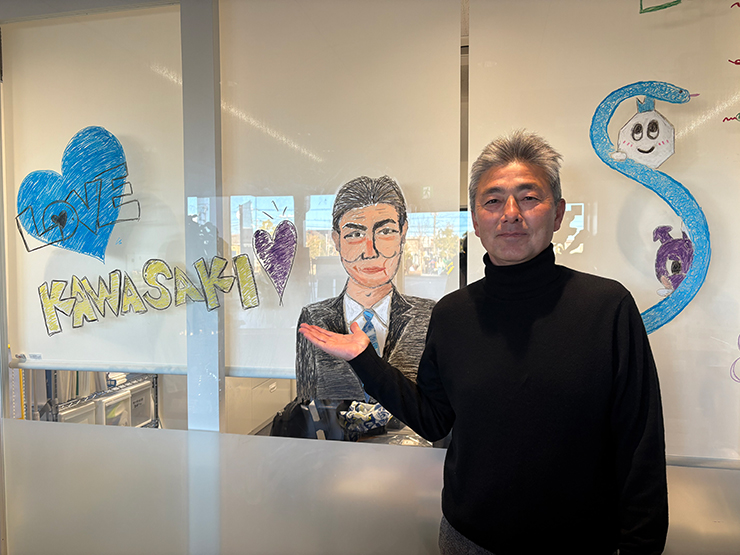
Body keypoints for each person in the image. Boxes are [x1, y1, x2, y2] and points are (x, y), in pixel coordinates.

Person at [300, 131, 668, 554]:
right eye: (493, 201)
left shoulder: (607, 307)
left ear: (558, 213)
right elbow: (434, 419)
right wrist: (365, 358)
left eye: (529, 198)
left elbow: (640, 444)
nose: (510, 214)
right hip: (467, 541)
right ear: (475, 221)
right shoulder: (453, 314)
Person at [296, 175, 435, 404]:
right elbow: (306, 406)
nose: (370, 252)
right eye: (355, 235)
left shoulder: (430, 316)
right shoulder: (314, 318)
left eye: (385, 231)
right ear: (336, 241)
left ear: (403, 233)